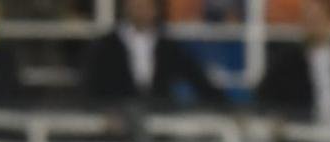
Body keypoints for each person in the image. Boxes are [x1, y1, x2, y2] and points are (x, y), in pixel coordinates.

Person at [80, 0, 228, 108]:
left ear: (156, 9)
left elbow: (198, 79)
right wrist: (105, 112)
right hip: (116, 126)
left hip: (160, 123)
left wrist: (230, 108)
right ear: (126, 7)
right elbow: (91, 86)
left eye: (146, 5)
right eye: (136, 5)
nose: (141, 10)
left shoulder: (168, 47)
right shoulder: (105, 46)